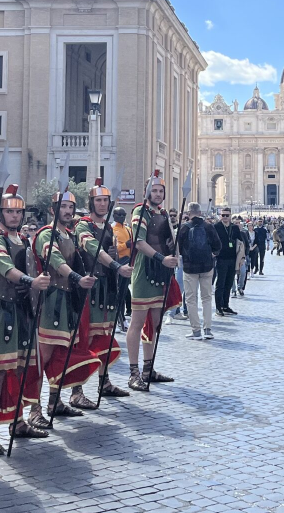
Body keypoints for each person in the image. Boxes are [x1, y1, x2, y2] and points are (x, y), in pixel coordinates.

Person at [0, 184, 51, 454]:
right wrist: (30, 281)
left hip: (23, 308)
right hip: (1, 308)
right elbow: (3, 265)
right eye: (9, 212)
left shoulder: (23, 239)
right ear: (0, 213)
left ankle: (17, 421)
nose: (14, 216)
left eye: (18, 212)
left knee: (22, 367)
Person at [31, 190, 102, 418]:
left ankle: (54, 402)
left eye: (71, 207)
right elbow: (55, 259)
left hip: (68, 301)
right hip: (50, 301)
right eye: (63, 207)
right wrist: (77, 278)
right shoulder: (46, 234)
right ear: (53, 210)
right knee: (42, 358)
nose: (68, 211)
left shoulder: (69, 235)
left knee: (61, 355)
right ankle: (34, 410)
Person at [70, 179, 134, 407]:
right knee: (83, 338)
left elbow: (109, 252)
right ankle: (76, 390)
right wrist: (116, 265)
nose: (102, 204)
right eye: (98, 200)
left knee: (104, 337)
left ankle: (104, 382)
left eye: (105, 200)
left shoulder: (108, 227)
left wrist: (115, 257)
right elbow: (92, 248)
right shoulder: (83, 225)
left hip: (107, 288)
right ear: (91, 202)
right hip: (89, 288)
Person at [126, 171, 181, 391]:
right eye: (154, 190)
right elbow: (139, 243)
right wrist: (161, 258)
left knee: (155, 322)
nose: (157, 194)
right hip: (145, 271)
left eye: (160, 191)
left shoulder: (163, 213)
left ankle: (148, 369)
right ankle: (134, 373)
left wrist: (174, 250)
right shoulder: (141, 211)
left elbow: (167, 240)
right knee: (137, 322)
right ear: (146, 192)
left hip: (161, 273)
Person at [178, 202, 220, 340]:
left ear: (188, 213)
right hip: (207, 266)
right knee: (206, 298)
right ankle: (207, 329)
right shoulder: (208, 226)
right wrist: (212, 254)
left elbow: (178, 247)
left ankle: (196, 331)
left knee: (191, 299)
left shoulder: (184, 228)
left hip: (189, 267)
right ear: (200, 213)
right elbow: (218, 245)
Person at [212, 208, 244, 316]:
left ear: (230, 216)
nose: (225, 217)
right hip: (221, 259)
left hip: (233, 259)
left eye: (227, 215)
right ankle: (218, 307)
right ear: (220, 216)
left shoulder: (234, 228)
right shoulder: (216, 227)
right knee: (220, 284)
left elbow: (241, 242)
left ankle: (225, 305)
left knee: (229, 283)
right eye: (223, 215)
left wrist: (242, 258)